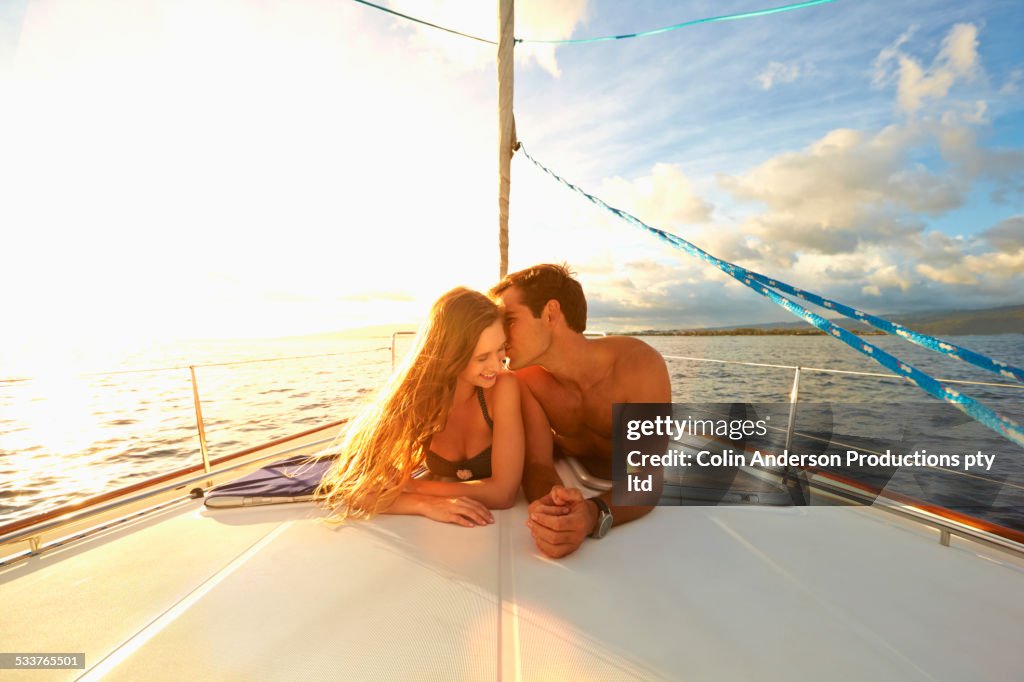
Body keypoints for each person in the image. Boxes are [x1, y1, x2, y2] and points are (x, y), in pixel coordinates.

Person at [490, 264, 671, 558]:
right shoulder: (525, 380)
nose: (500, 336)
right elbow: (538, 465)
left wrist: (592, 513)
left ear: (550, 313)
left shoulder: (639, 366)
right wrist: (557, 511)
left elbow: (646, 476)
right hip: (575, 475)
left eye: (509, 320)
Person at [317, 287, 524, 527]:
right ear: (451, 354)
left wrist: (412, 486)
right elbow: (355, 486)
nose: (497, 367)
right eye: (481, 358)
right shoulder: (414, 398)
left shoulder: (503, 388)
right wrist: (422, 504)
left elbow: (504, 494)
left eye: (501, 350)